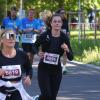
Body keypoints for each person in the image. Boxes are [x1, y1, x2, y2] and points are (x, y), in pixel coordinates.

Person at [33, 14, 73, 100]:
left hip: (56, 70)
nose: (57, 23)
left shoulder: (64, 37)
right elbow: (34, 46)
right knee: (46, 95)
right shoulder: (45, 35)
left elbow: (71, 57)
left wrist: (67, 49)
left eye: (59, 22)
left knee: (52, 97)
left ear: (62, 24)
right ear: (51, 23)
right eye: (54, 21)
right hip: (44, 69)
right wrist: (38, 52)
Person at [0, 29, 33, 100]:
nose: (11, 39)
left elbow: (29, 69)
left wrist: (29, 77)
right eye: (8, 36)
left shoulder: (22, 54)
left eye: (13, 36)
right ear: (2, 40)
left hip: (17, 90)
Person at [56, 8, 70, 74]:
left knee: (65, 53)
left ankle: (64, 68)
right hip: (56, 38)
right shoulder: (56, 20)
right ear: (58, 13)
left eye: (64, 12)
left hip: (64, 38)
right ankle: (56, 66)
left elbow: (67, 30)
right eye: (62, 12)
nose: (63, 14)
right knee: (56, 53)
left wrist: (68, 37)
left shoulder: (65, 20)